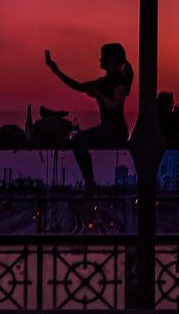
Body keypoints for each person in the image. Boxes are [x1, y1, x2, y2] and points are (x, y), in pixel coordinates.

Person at [44, 43, 132, 200]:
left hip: (116, 130)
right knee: (77, 139)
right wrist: (56, 70)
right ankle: (90, 183)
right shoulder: (104, 81)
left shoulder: (119, 79)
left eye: (103, 55)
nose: (100, 58)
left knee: (78, 140)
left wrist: (98, 95)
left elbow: (116, 107)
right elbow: (78, 86)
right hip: (108, 128)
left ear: (112, 58)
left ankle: (90, 183)